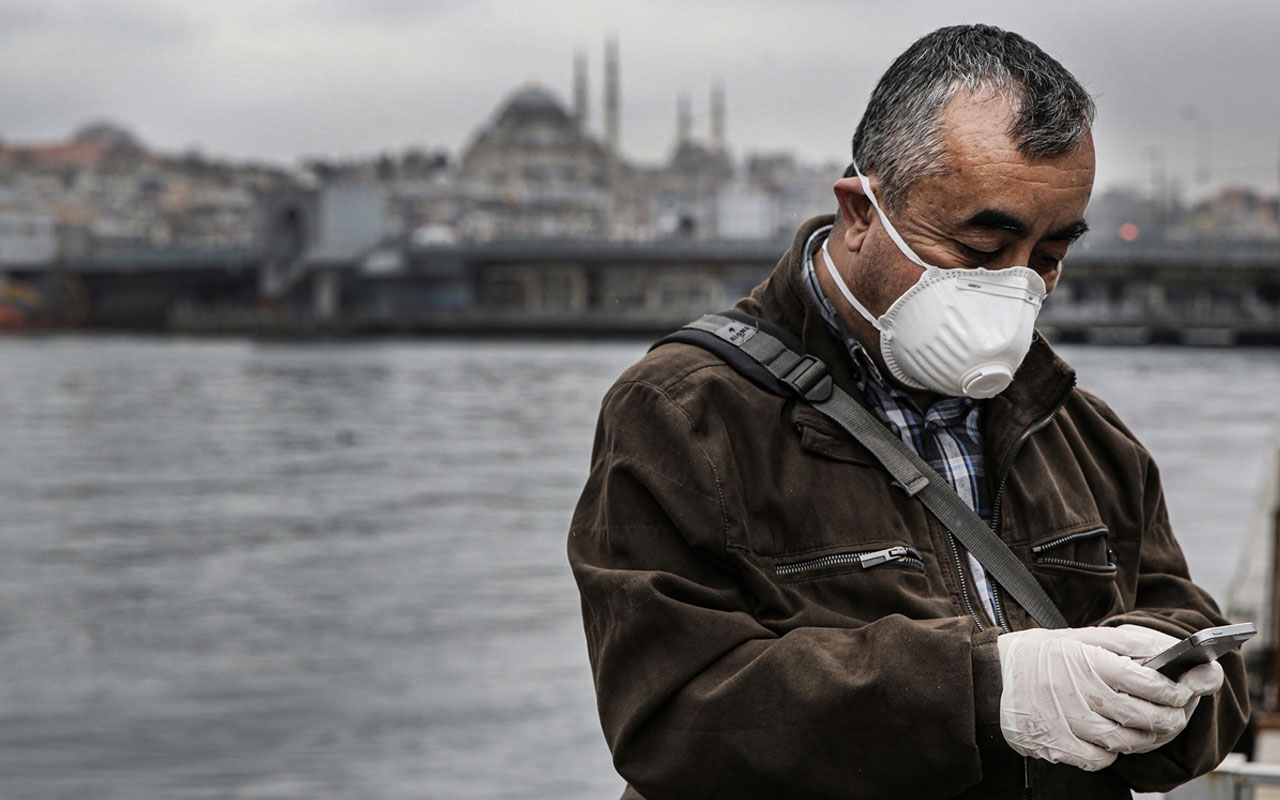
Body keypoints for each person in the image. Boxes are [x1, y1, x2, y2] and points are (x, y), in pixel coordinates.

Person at [568, 24, 1248, 799]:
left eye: (1051, 255)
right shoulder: (686, 413)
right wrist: (986, 692)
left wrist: (1165, 687)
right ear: (861, 212)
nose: (1017, 287)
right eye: (982, 249)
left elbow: (1210, 667)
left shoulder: (1080, 429)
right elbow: (667, 718)